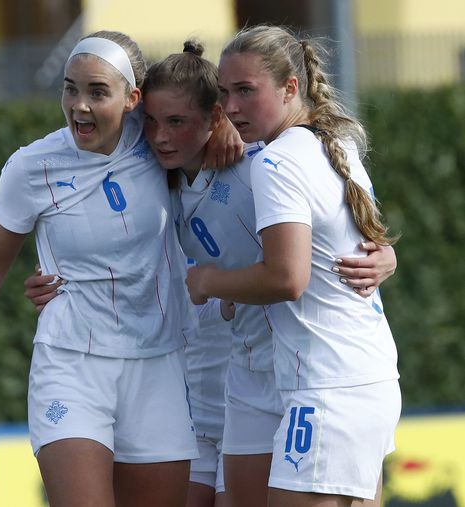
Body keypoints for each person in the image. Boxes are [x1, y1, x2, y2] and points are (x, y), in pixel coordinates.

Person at [25, 39, 397, 507]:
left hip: (301, 375)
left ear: (215, 117)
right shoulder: (149, 174)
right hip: (208, 387)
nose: (160, 135)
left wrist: (385, 254)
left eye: (177, 122)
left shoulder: (263, 163)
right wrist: (55, 274)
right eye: (152, 122)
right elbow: (65, 219)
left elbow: (328, 241)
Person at [0, 30, 241, 507]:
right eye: (70, 88)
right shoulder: (30, 166)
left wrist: (223, 127)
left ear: (132, 100)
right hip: (70, 363)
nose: (79, 105)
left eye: (98, 92)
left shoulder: (157, 141)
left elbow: (198, 111)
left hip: (158, 365)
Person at [186, 25, 401, 506]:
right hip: (358, 376)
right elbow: (365, 249)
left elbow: (287, 278)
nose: (233, 107)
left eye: (246, 91)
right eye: (224, 94)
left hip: (329, 385)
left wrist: (207, 281)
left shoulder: (277, 162)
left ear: (290, 88)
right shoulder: (335, 143)